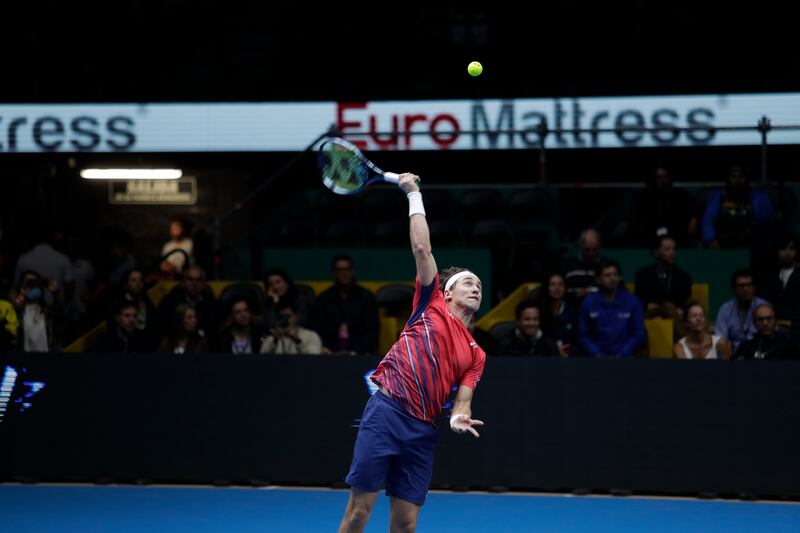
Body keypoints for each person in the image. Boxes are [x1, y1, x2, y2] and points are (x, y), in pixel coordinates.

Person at [338, 174, 486, 533]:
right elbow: (422, 248)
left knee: (405, 526)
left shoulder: (476, 354)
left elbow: (463, 400)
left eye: (480, 286)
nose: (476, 288)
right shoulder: (429, 303)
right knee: (359, 512)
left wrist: (458, 418)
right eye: (468, 282)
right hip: (387, 413)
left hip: (422, 430)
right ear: (448, 293)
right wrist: (414, 193)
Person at [577, 259, 646, 358]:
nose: (612, 278)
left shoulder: (632, 302)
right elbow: (583, 335)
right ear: (598, 279)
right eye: (607, 275)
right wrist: (597, 353)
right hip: (595, 360)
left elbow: (638, 333)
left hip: (625, 360)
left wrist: (623, 353)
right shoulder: (588, 303)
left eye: (615, 274)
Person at [312, 255, 379, 355]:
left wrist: (358, 349)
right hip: (329, 353)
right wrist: (325, 347)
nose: (344, 273)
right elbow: (316, 329)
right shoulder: (323, 299)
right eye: (340, 270)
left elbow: (373, 331)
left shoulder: (366, 297)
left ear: (353, 271)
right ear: (333, 272)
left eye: (347, 269)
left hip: (360, 353)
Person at [701, 166, 774, 249]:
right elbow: (708, 220)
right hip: (723, 242)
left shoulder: (757, 196)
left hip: (749, 242)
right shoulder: (718, 195)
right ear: (728, 179)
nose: (737, 180)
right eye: (733, 177)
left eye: (741, 177)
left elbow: (765, 223)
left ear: (747, 178)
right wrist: (711, 240)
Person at [628, 166, 699, 247]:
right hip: (650, 237)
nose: (664, 180)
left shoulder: (681, 195)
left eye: (666, 177)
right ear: (654, 179)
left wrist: (694, 219)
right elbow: (636, 222)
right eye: (660, 177)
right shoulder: (643, 197)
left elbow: (694, 210)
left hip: (676, 237)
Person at [714, 268, 768, 352]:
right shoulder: (725, 309)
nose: (745, 289)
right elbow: (720, 339)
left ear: (755, 287)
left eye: (749, 285)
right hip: (732, 358)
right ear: (733, 288)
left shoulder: (765, 307)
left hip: (760, 355)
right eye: (741, 286)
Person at [533, 273, 579, 357]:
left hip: (568, 356)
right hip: (543, 356)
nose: (557, 288)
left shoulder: (573, 311)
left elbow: (578, 338)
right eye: (552, 284)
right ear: (547, 288)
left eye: (560, 285)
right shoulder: (538, 311)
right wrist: (555, 350)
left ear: (565, 289)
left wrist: (570, 352)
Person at [562, 228, 608, 303]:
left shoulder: (608, 265)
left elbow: (619, 292)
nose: (591, 253)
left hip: (601, 308)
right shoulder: (568, 264)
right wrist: (576, 293)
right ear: (581, 246)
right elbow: (559, 290)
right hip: (573, 307)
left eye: (594, 249)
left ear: (599, 246)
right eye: (587, 250)